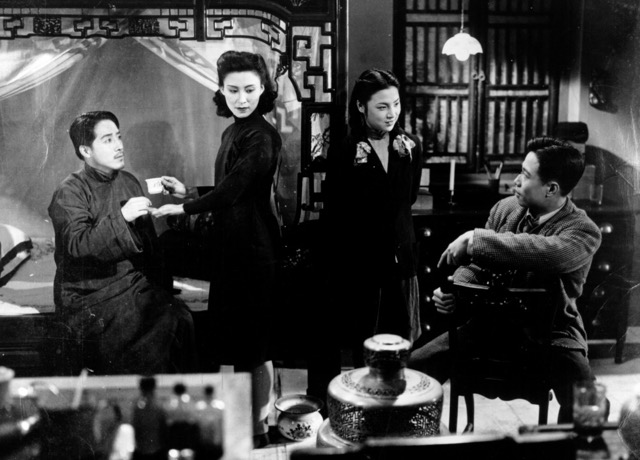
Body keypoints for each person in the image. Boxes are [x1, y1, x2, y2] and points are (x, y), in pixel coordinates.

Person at [408, 136, 603, 423]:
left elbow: (546, 253)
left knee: (589, 402)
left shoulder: (583, 230)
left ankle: (565, 445)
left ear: (551, 188)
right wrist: (455, 291)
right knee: (413, 369)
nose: (516, 181)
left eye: (525, 174)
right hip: (490, 324)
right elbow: (477, 267)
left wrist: (476, 240)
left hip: (552, 333)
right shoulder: (505, 208)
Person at [151, 51, 281, 447]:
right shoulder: (234, 132)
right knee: (242, 343)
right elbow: (228, 187)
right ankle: (249, 426)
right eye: (233, 90)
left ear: (263, 88)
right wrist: (188, 191)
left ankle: (259, 432)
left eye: (250, 90)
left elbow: (235, 189)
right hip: (232, 249)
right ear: (221, 90)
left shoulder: (261, 135)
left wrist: (184, 207)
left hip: (254, 251)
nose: (242, 98)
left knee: (254, 346)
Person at [48, 111, 197, 375]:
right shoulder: (69, 191)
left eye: (118, 137)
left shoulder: (128, 182)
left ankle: (171, 397)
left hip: (132, 286)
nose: (119, 145)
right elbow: (77, 246)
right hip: (91, 296)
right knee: (155, 330)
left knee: (179, 317)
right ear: (85, 150)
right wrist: (122, 216)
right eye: (108, 140)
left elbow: (150, 250)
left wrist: (162, 287)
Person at [311, 68, 423, 396]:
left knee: (398, 337)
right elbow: (336, 209)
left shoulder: (410, 147)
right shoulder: (346, 150)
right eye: (382, 106)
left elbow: (408, 198)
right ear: (361, 106)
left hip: (400, 256)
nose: (392, 114)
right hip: (359, 258)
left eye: (396, 105)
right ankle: (360, 405)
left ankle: (392, 404)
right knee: (363, 336)